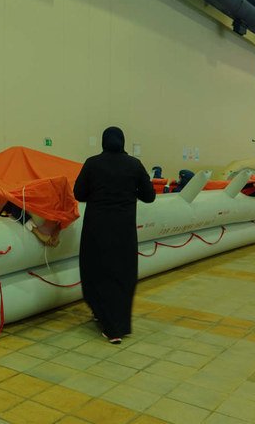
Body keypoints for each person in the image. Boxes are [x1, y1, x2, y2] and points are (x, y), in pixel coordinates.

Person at [73, 126, 155, 344]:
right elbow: (150, 196)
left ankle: (104, 318)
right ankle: (118, 325)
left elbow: (78, 193)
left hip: (96, 230)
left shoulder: (92, 163)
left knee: (97, 272)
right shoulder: (134, 165)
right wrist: (130, 192)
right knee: (122, 275)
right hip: (124, 231)